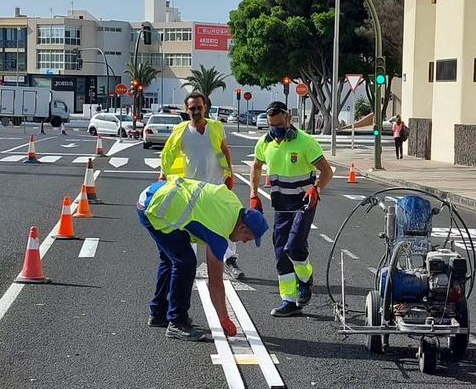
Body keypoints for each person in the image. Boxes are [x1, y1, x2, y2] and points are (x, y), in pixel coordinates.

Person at [137, 176, 268, 340]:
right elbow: (215, 283)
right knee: (185, 263)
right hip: (156, 208)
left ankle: (158, 313)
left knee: (171, 260)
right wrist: (224, 319)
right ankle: (177, 323)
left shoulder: (235, 205)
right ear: (242, 227)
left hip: (155, 195)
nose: (244, 242)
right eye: (247, 238)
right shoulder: (220, 232)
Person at [249, 101, 333, 317]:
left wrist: (316, 189)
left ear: (288, 119)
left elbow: (327, 171)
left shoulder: (305, 142)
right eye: (271, 125)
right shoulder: (264, 143)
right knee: (280, 253)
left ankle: (305, 279)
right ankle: (289, 301)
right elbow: (257, 166)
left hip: (304, 203)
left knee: (294, 247)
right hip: (281, 206)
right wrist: (253, 193)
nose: (276, 129)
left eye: (279, 124)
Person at [160, 92, 245, 279]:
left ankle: (230, 261)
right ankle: (187, 263)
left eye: (199, 107)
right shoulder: (181, 131)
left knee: (225, 222)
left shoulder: (216, 126)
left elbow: (224, 150)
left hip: (216, 186)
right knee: (188, 225)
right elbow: (169, 154)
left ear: (205, 107)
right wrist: (163, 177)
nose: (196, 111)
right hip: (191, 188)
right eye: (192, 108)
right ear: (186, 110)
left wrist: (229, 173)